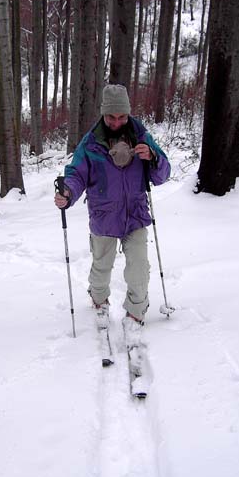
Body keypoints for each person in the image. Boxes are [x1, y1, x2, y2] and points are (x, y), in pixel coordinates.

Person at [54, 84, 170, 346]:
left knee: (139, 267)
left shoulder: (141, 136)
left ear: (128, 114)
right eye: (111, 117)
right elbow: (76, 175)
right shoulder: (90, 143)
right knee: (101, 267)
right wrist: (68, 194)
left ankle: (136, 311)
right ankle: (99, 299)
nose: (117, 122)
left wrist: (152, 156)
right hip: (104, 216)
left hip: (136, 215)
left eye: (122, 116)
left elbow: (163, 175)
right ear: (103, 114)